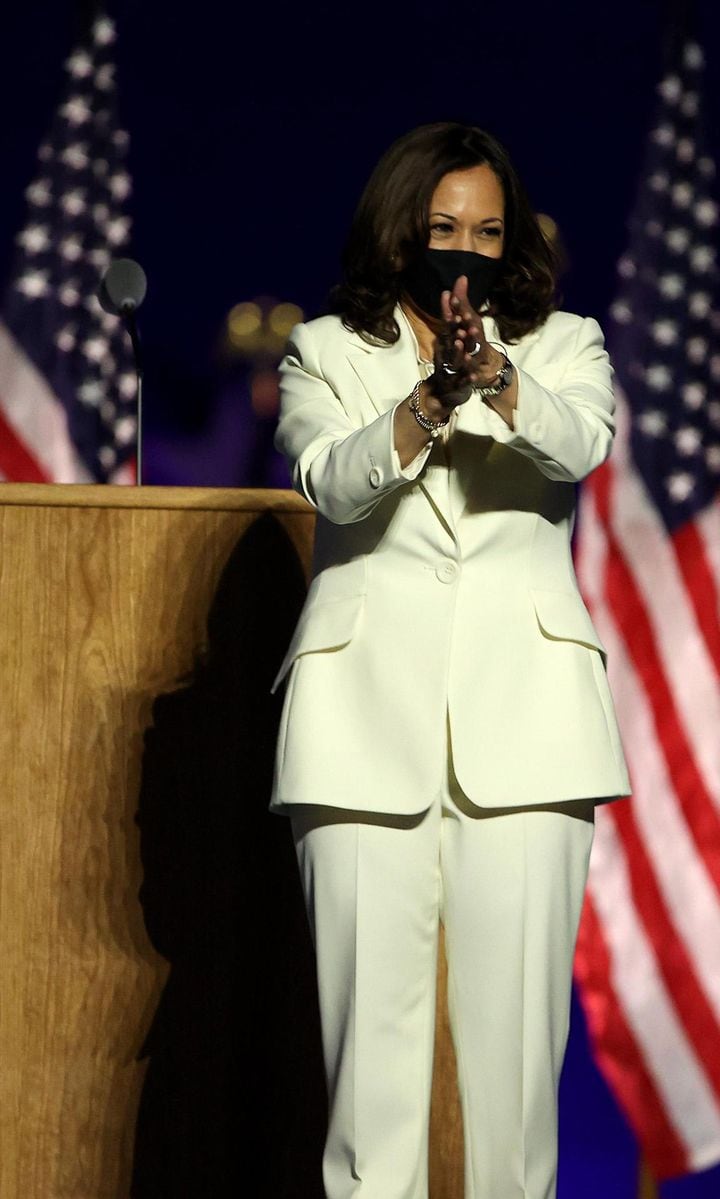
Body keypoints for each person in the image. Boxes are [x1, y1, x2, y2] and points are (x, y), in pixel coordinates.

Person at [270, 122, 631, 1199]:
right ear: (398, 233)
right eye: (442, 228)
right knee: (369, 1109)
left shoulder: (567, 343)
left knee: (514, 1102)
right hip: (356, 734)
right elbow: (330, 482)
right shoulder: (327, 347)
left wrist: (497, 377)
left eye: (486, 230)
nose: (465, 250)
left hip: (528, 740)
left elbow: (581, 444)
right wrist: (427, 400)